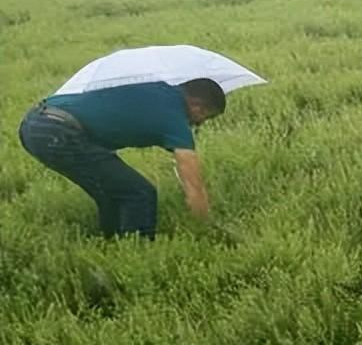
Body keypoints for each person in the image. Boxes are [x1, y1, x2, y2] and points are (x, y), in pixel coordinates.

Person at [17, 78, 224, 239]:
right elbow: (193, 185)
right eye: (205, 118)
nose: (199, 124)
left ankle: (114, 246)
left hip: (34, 124)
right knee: (139, 193)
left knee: (112, 194)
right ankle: (140, 256)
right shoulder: (175, 116)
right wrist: (204, 226)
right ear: (198, 107)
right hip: (57, 130)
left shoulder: (159, 91)